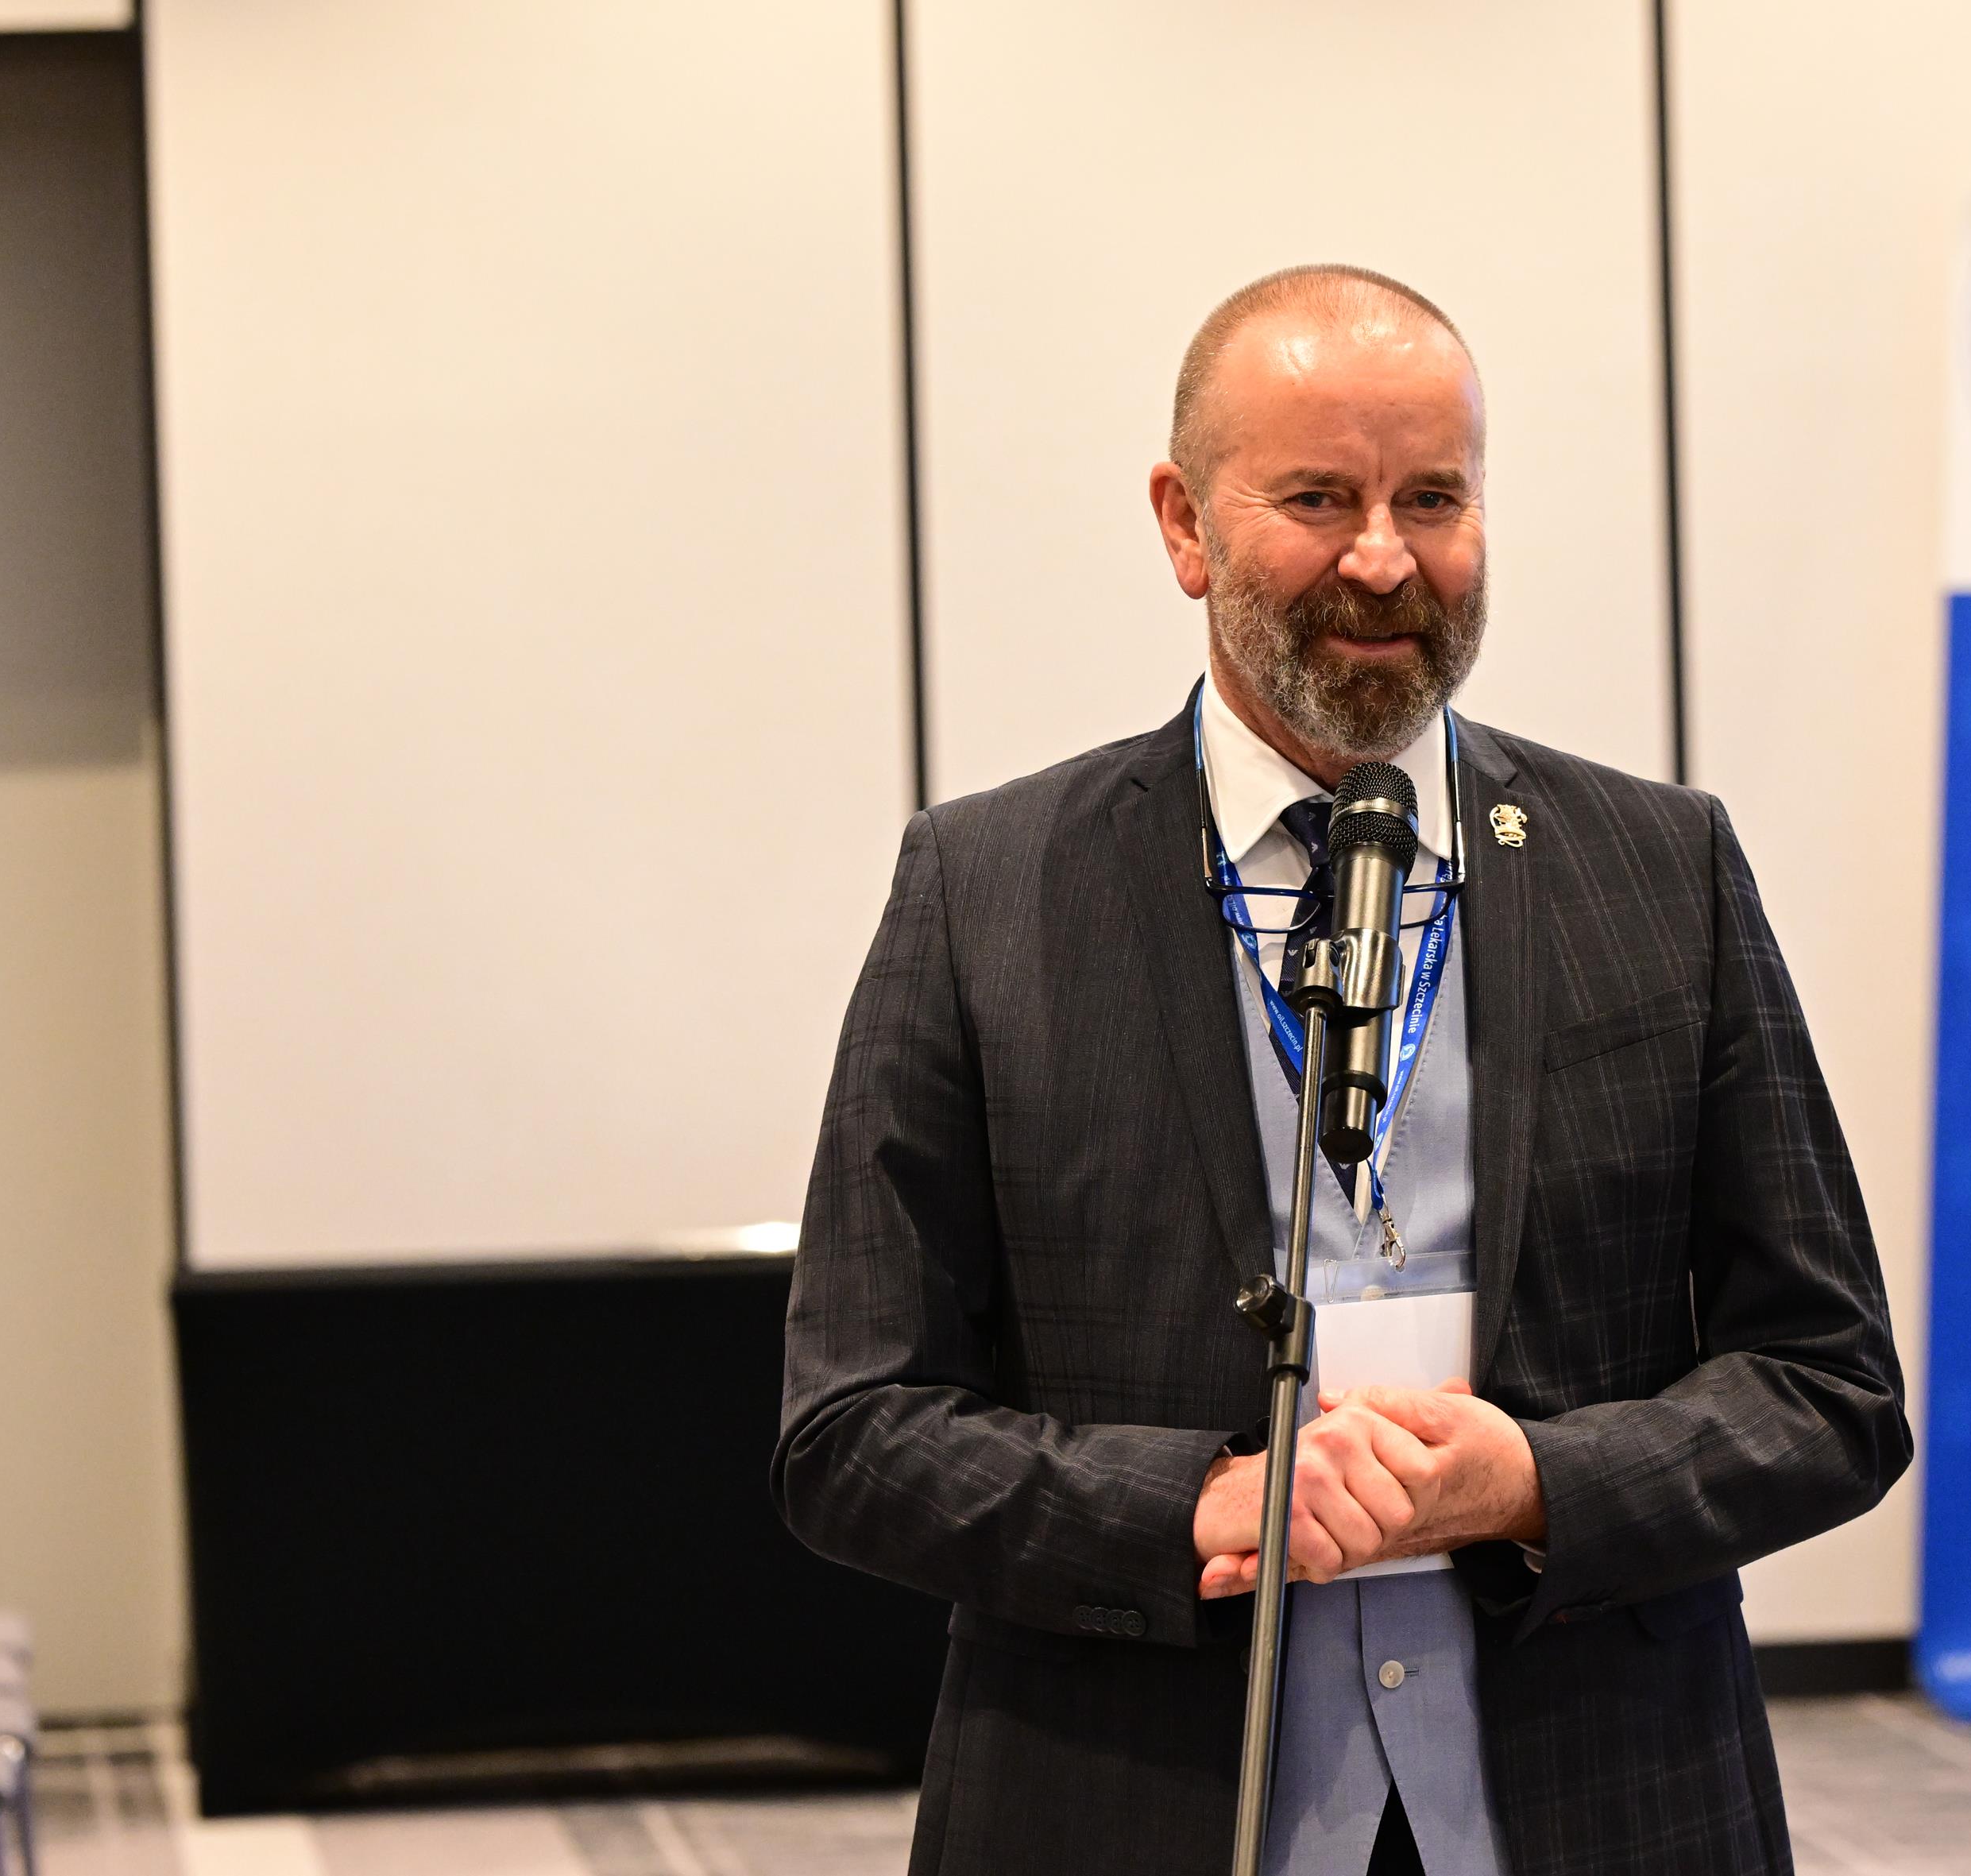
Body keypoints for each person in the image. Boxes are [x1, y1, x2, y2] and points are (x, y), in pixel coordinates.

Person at [775, 265, 1908, 1876]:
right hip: (1128, 1801)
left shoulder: (1662, 872)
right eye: (1317, 498)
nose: (1383, 556)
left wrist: (1538, 1481)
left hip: (1603, 1798)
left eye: (1430, 497)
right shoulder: (988, 893)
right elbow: (850, 1431)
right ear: (1184, 525)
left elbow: (1828, 1387)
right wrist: (1196, 1502)